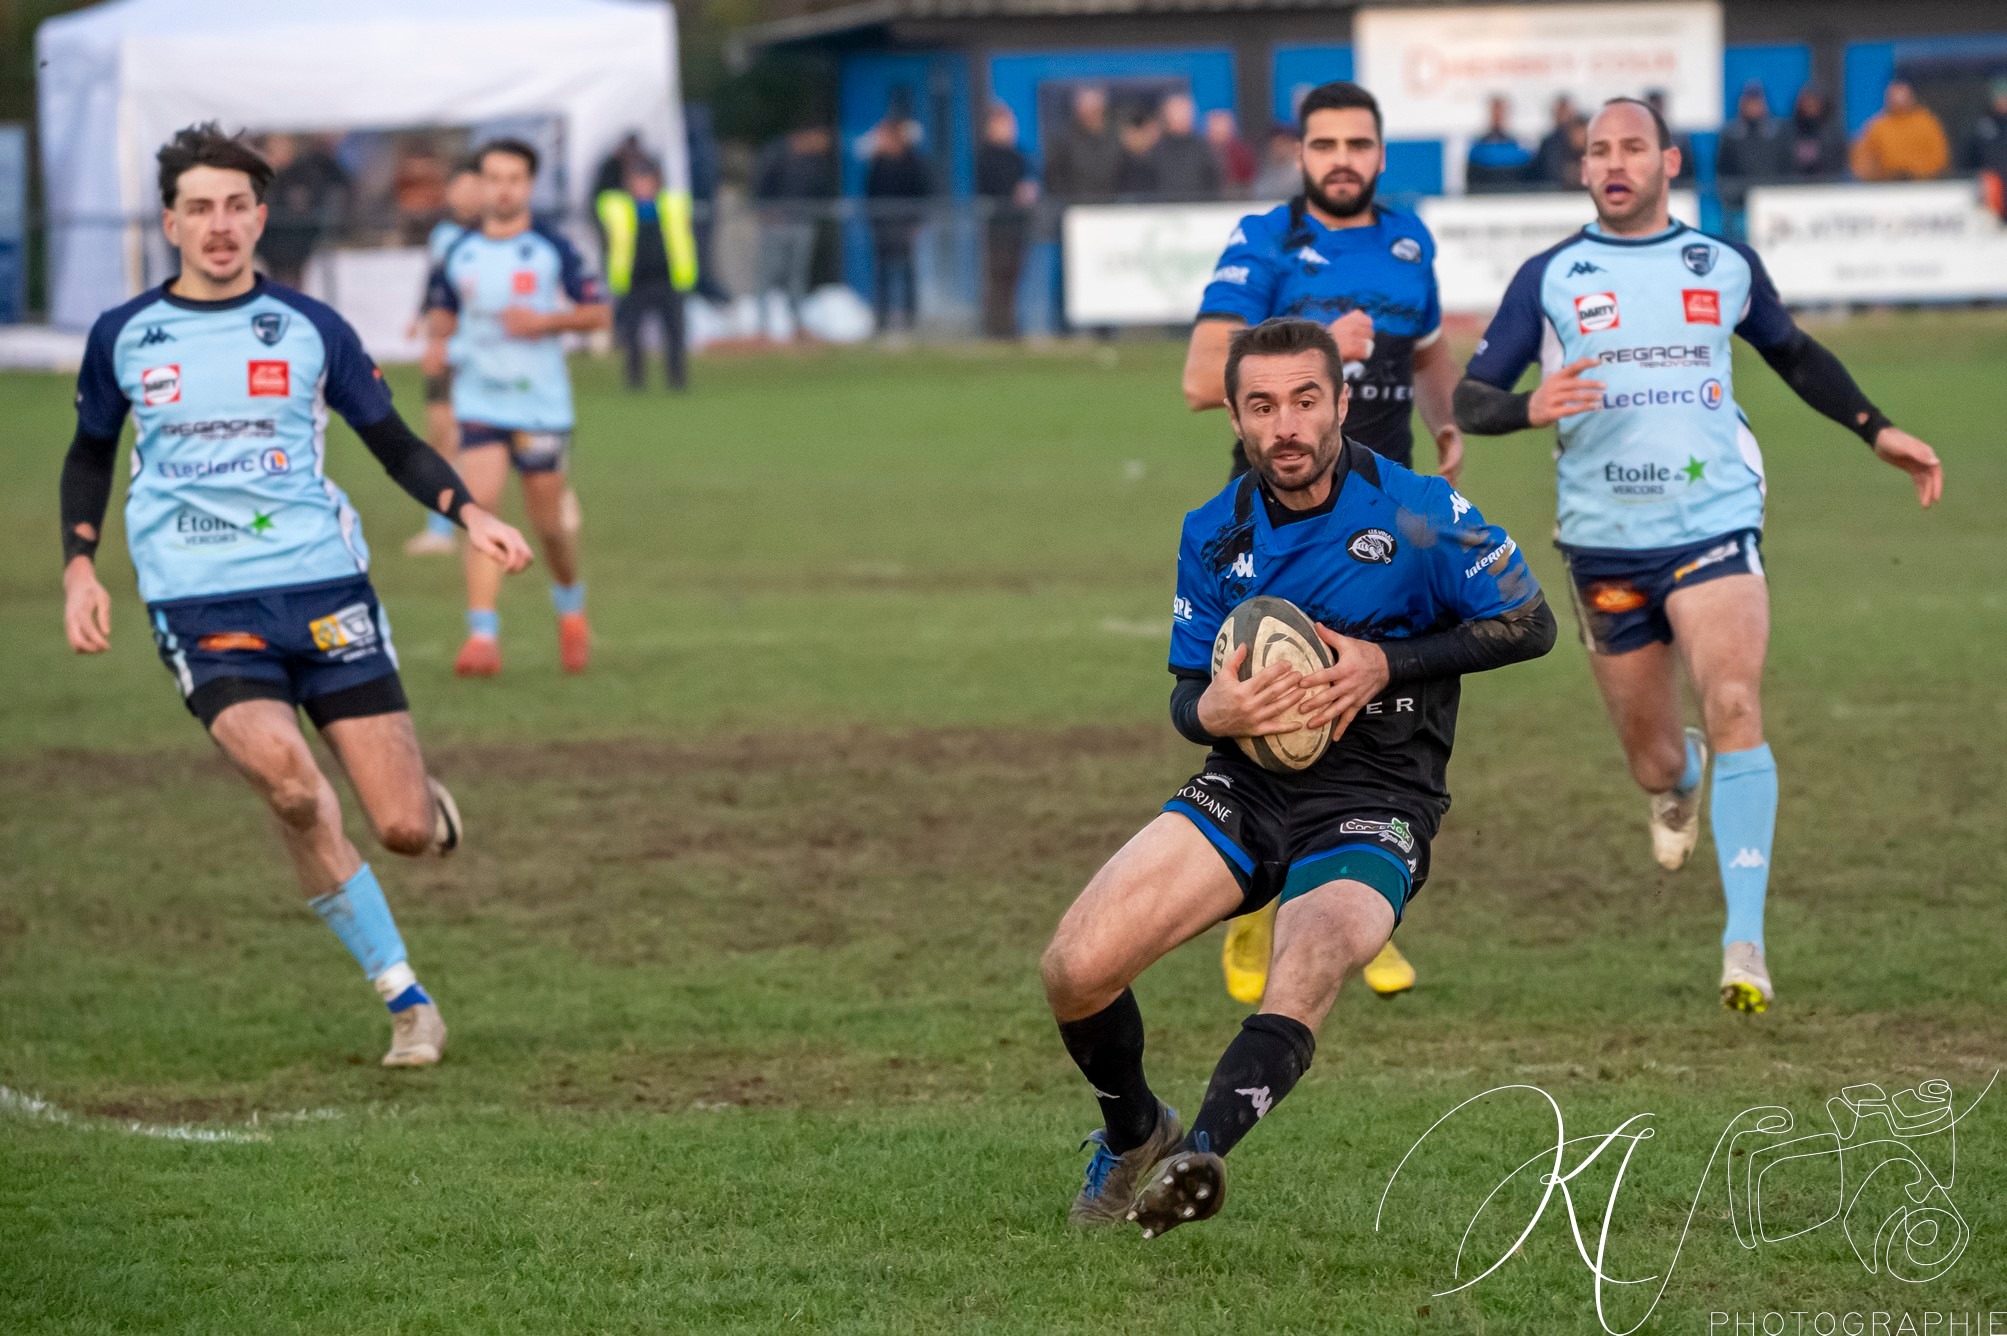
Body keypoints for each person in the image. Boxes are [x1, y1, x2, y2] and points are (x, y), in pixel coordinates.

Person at [1043, 317, 1555, 1237]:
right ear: (1237, 417)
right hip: (1244, 789)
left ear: (1341, 404)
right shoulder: (1213, 532)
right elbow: (1186, 696)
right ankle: (1133, 1131)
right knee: (1074, 970)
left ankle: (1196, 1156)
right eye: (1262, 406)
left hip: (1377, 798)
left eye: (1304, 402)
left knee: (1315, 948)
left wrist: (1382, 666)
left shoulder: (1416, 512)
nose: (1285, 426)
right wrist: (1215, 715)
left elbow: (1530, 624)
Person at [1452, 98, 1945, 1013]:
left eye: (1631, 147)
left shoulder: (1719, 264)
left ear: (1668, 161)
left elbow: (1793, 354)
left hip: (1713, 518)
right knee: (1653, 761)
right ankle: (1676, 780)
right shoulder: (1550, 276)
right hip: (1601, 540)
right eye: (1597, 149)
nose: (1613, 162)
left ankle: (1743, 942)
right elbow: (1473, 396)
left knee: (1732, 701)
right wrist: (1526, 407)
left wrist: (1874, 430)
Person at [58, 124, 535, 1067]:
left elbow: (389, 437)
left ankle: (418, 803)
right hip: (201, 604)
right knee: (291, 789)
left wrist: (467, 511)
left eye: (236, 205)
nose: (220, 224)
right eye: (200, 207)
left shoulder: (311, 327)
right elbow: (89, 455)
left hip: (323, 587)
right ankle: (406, 999)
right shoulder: (122, 336)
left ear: (261, 215)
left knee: (399, 829)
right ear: (171, 222)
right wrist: (80, 565)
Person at [1182, 81, 1466, 1008]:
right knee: (1280, 702)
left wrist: (1446, 421)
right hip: (1286, 519)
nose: (1341, 157)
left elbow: (1423, 349)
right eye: (1324, 143)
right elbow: (1199, 378)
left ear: (1381, 153)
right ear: (1298, 153)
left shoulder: (1409, 238)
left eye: (1358, 142)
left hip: (1393, 505)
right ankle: (1258, 908)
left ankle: (1357, 898)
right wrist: (1321, 350)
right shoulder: (1262, 243)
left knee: (1401, 699)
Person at [424, 138, 611, 678]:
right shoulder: (459, 251)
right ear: (480, 185)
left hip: (540, 405)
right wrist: (438, 345)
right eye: (494, 177)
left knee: (548, 523)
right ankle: (482, 635)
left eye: (513, 178)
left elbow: (598, 314)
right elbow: (443, 312)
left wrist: (545, 322)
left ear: (528, 186)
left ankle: (570, 608)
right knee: (479, 506)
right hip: (480, 400)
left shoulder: (554, 248)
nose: (503, 188)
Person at [404, 160, 484, 557]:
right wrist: (421, 322)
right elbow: (434, 285)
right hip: (448, 345)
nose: (469, 196)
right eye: (462, 188)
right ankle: (439, 528)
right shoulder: (443, 236)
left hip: (486, 350)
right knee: (440, 431)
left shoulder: (496, 239)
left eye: (476, 187)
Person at [597, 158, 699, 391]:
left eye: (647, 180)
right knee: (632, 335)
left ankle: (677, 380)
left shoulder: (673, 205)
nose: (642, 185)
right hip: (634, 280)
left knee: (675, 333)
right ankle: (635, 381)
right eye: (637, 180)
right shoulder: (617, 207)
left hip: (669, 278)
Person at [753, 126, 836, 332]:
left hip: (802, 223)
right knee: (769, 273)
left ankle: (796, 321)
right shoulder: (777, 155)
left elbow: (821, 191)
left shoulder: (815, 163)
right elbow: (762, 184)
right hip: (776, 224)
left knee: (797, 275)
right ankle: (762, 323)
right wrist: (766, 211)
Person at [864, 117, 931, 337]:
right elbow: (870, 194)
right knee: (883, 273)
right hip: (882, 226)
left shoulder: (912, 162)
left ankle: (910, 318)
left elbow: (923, 191)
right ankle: (882, 319)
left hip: (905, 224)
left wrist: (918, 222)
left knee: (907, 272)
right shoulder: (877, 164)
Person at [974, 102, 1036, 341]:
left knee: (1013, 276)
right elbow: (987, 189)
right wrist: (1012, 194)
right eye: (1002, 124)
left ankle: (1009, 326)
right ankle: (995, 328)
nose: (1008, 129)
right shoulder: (985, 156)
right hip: (996, 227)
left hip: (1017, 226)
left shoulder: (1019, 156)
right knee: (996, 277)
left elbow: (1030, 181)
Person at [258, 133, 351, 287]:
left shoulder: (309, 172)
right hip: (271, 243)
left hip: (300, 240)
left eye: (283, 144)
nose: (279, 150)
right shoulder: (262, 178)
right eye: (273, 146)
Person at [1715, 81, 1790, 218]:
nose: (1752, 107)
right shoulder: (1731, 135)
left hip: (1774, 202)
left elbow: (1786, 167)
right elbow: (1723, 171)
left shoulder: (1777, 133)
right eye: (1749, 102)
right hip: (1739, 206)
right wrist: (1733, 196)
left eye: (1756, 102)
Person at [1850, 79, 1949, 181]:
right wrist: (1882, 174)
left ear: (1911, 98)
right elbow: (1862, 163)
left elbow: (1940, 157)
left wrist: (1915, 171)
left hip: (1922, 186)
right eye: (1894, 97)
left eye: (1903, 96)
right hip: (1886, 188)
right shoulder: (1877, 127)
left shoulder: (1927, 123)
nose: (1899, 101)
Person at [1043, 86, 1121, 202]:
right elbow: (1054, 178)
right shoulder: (1064, 142)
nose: (1090, 115)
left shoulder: (1117, 140)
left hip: (1112, 208)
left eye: (1095, 110)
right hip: (1075, 208)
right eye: (1086, 110)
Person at [1153, 93, 1223, 200]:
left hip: (1199, 209)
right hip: (1163, 210)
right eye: (1177, 111)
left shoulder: (1203, 147)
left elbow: (1214, 180)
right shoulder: (1156, 148)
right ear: (1166, 114)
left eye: (1185, 111)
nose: (1182, 116)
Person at [1466, 94, 1532, 191]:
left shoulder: (1519, 148)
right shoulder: (1478, 149)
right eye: (1495, 112)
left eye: (1501, 112)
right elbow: (1472, 182)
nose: (1498, 116)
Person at [1785, 86, 1847, 179]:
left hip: (1826, 186)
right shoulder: (1787, 133)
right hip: (1793, 187)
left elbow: (1839, 165)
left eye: (1814, 103)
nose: (1810, 106)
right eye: (1807, 102)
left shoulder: (1833, 135)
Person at [1532, 95, 1585, 188]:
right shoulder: (1550, 145)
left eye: (1567, 114)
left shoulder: (1590, 148)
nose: (1564, 119)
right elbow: (1551, 172)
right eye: (1560, 113)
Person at [1961, 77, 2007, 180]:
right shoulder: (1983, 127)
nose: (2003, 102)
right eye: (2000, 97)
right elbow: (1970, 159)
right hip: (1992, 184)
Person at [1115, 106, 1164, 196]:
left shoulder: (1164, 160)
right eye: (1135, 132)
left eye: (1146, 131)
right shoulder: (1116, 162)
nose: (1140, 137)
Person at [1206, 109, 1257, 194]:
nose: (1219, 131)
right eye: (1215, 126)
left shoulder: (1241, 153)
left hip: (1237, 199)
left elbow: (1249, 180)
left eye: (1222, 126)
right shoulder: (1201, 152)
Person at [1253, 122, 1301, 200]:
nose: (1278, 148)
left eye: (1283, 142)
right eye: (1274, 143)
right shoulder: (1266, 172)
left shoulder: (1302, 176)